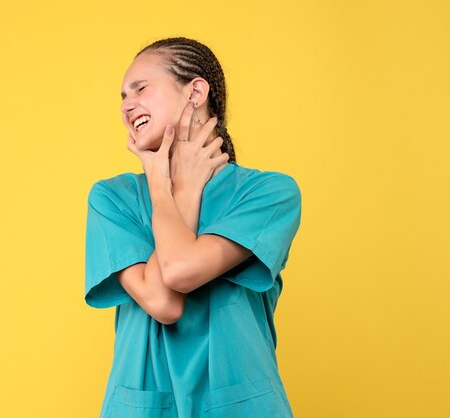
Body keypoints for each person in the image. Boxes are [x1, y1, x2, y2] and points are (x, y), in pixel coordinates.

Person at [85, 37, 302, 418]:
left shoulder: (267, 193)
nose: (125, 106)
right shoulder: (113, 198)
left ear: (196, 92)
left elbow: (180, 271)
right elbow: (164, 303)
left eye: (141, 88)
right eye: (121, 96)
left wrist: (175, 187)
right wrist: (166, 185)